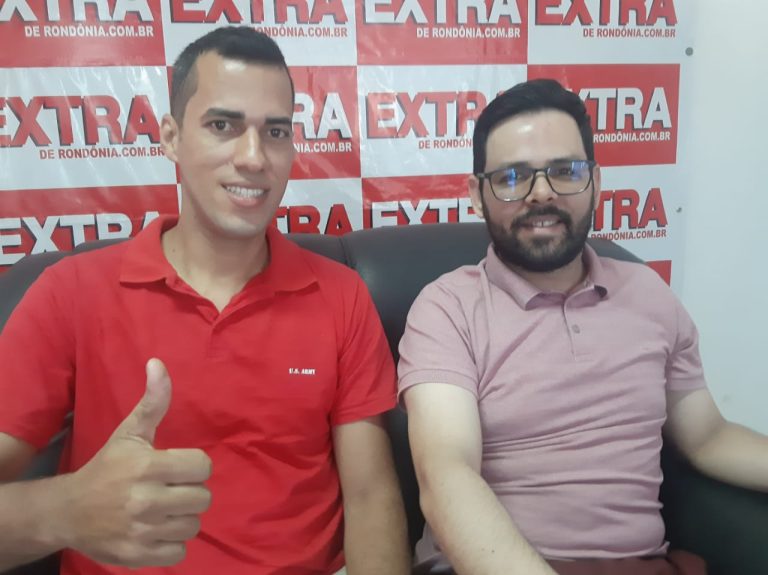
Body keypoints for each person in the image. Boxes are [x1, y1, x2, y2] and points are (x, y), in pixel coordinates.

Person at [0, 26, 409, 575]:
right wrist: (64, 510)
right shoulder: (70, 291)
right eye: (223, 126)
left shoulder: (340, 295)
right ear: (171, 137)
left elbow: (370, 497)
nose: (253, 157)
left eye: (275, 132)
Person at [397, 78, 768, 575]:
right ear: (477, 195)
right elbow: (447, 474)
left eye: (565, 171)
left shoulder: (649, 293)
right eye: (512, 177)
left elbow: (708, 438)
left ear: (595, 181)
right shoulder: (447, 308)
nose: (542, 193)